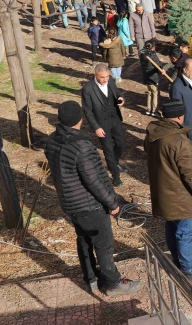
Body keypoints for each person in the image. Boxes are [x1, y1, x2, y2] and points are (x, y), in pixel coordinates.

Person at [45, 101, 141, 296]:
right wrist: (112, 203)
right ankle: (114, 283)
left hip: (70, 204)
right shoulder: (81, 145)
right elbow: (94, 180)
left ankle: (91, 278)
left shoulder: (52, 140)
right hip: (90, 206)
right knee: (103, 244)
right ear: (80, 119)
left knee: (84, 240)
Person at [144, 99, 192, 282]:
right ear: (180, 116)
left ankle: (179, 259)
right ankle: (189, 269)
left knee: (172, 226)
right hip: (180, 196)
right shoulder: (179, 141)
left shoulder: (153, 134)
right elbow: (191, 174)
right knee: (186, 231)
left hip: (164, 192)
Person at [81, 64, 127, 187]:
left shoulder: (110, 80)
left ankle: (115, 163)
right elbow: (88, 111)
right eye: (102, 77)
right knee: (108, 150)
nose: (105, 79)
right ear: (95, 75)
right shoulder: (88, 89)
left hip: (115, 119)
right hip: (102, 124)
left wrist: (120, 97)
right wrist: (96, 127)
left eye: (107, 76)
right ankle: (115, 175)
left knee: (121, 144)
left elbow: (116, 92)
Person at [139, 40, 165, 117]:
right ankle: (154, 110)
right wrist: (161, 62)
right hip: (153, 77)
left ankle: (148, 109)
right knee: (155, 93)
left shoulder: (142, 54)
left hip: (146, 76)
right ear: (153, 47)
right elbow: (159, 66)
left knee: (150, 93)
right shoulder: (152, 55)